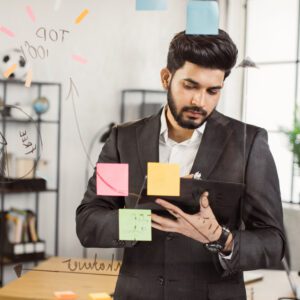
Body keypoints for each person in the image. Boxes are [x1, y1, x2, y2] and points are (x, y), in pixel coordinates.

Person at [76, 29, 285, 300]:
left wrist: (221, 238)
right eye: (190, 86)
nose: (200, 101)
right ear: (166, 78)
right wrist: (142, 221)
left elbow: (273, 241)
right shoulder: (124, 140)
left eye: (213, 91)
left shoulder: (248, 144)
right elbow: (90, 220)